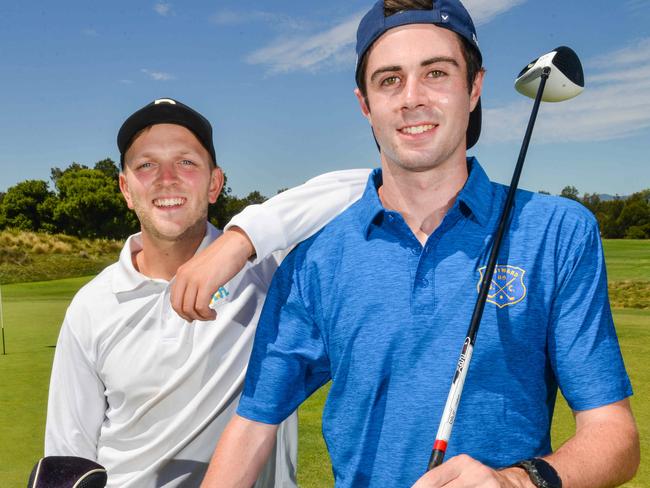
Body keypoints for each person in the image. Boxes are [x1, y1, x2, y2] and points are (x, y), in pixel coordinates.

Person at [198, 1, 640, 487]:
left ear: (474, 88)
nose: (412, 98)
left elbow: (614, 437)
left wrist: (516, 482)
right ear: (365, 103)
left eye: (436, 73)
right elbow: (253, 425)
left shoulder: (558, 231)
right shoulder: (315, 261)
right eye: (389, 79)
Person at [44, 97, 370, 487]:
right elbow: (68, 458)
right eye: (146, 165)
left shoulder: (270, 270)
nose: (167, 178)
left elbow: (371, 185)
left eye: (186, 162)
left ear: (215, 183)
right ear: (126, 189)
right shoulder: (91, 306)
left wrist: (239, 239)